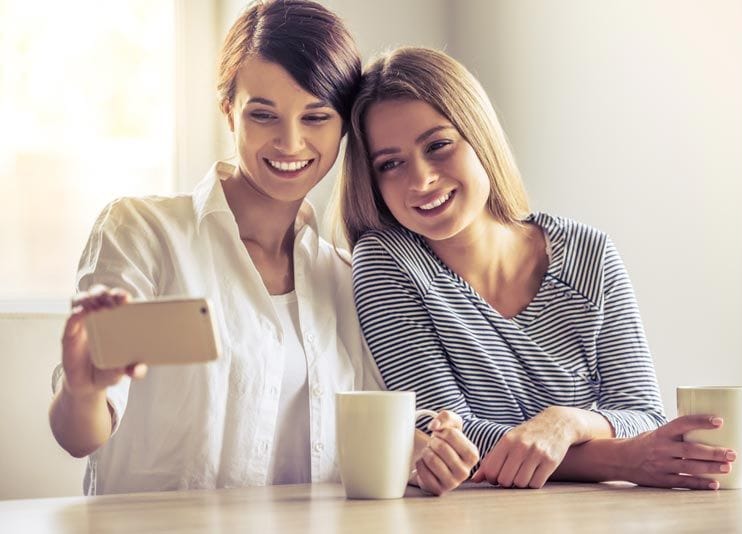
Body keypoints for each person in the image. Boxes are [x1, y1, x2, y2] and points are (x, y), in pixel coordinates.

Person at [49, 3, 477, 496]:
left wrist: (423, 450)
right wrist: (82, 391)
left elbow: (377, 446)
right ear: (228, 110)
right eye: (263, 114)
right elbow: (79, 436)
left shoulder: (343, 278)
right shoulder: (144, 233)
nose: (290, 142)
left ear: (343, 127)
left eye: (316, 116)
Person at [336, 46, 737, 490]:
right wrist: (619, 460)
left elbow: (644, 414)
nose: (421, 179)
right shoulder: (387, 264)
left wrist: (565, 423)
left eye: (439, 145)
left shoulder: (591, 254)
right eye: (390, 164)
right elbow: (447, 439)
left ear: (479, 135)